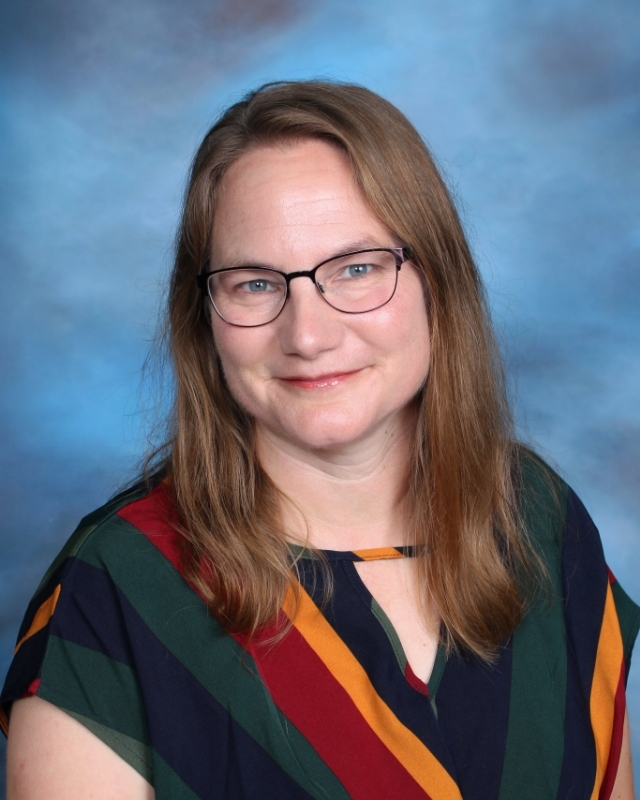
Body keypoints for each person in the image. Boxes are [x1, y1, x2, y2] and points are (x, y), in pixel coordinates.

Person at [2, 81, 638, 800]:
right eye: (254, 284)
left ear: (438, 279)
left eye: (357, 269)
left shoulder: (541, 523)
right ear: (203, 313)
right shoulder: (118, 590)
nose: (307, 335)